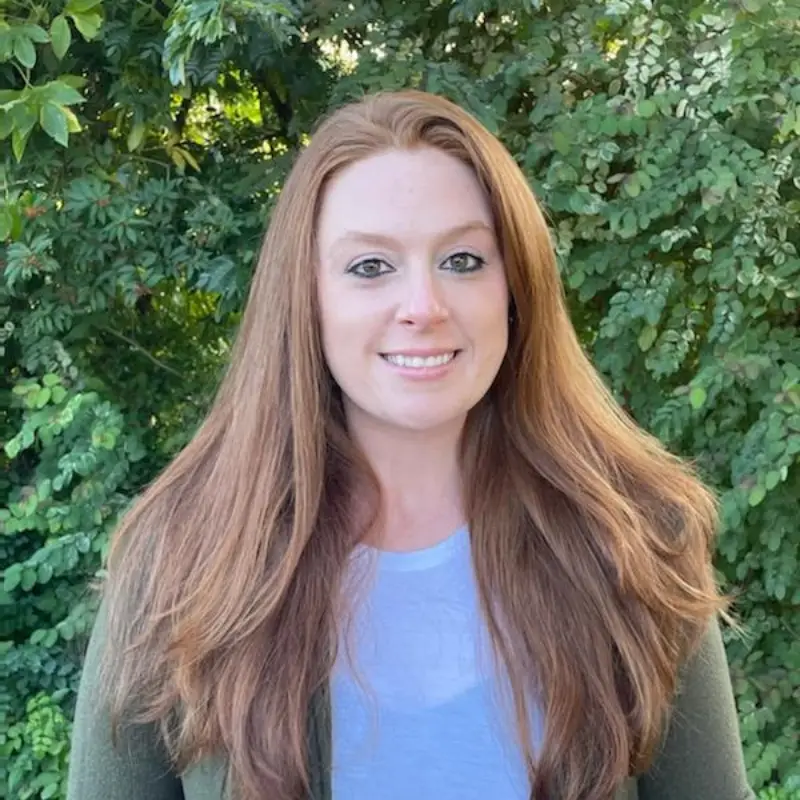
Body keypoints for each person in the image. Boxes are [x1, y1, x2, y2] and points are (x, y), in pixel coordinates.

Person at [67, 89, 754, 800]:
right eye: (370, 267)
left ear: (515, 288)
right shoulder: (180, 564)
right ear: (307, 297)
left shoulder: (635, 539)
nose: (423, 307)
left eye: (462, 260)